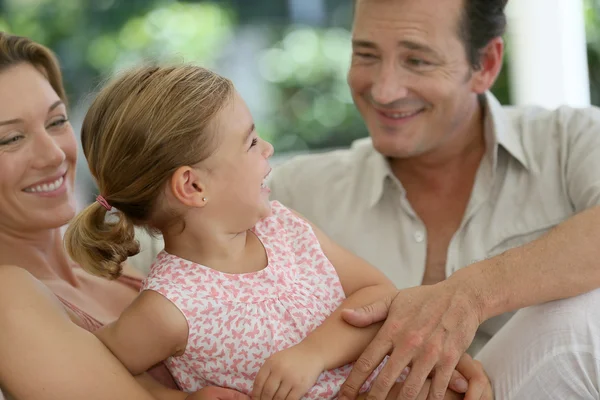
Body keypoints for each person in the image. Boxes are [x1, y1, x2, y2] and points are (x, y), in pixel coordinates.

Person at [63, 63, 490, 400]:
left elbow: (378, 293)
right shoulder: (168, 309)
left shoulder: (283, 227)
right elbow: (94, 373)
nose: (267, 148)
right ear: (193, 186)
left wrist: (313, 354)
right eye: (250, 143)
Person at [263, 0, 600, 399]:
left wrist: (470, 294)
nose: (384, 90)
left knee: (584, 312)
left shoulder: (573, 140)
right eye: (366, 55)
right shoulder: (292, 196)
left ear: (486, 65)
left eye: (418, 61)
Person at [0, 32, 251, 400]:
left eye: (56, 122)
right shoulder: (8, 296)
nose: (54, 154)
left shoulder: (107, 265)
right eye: (10, 139)